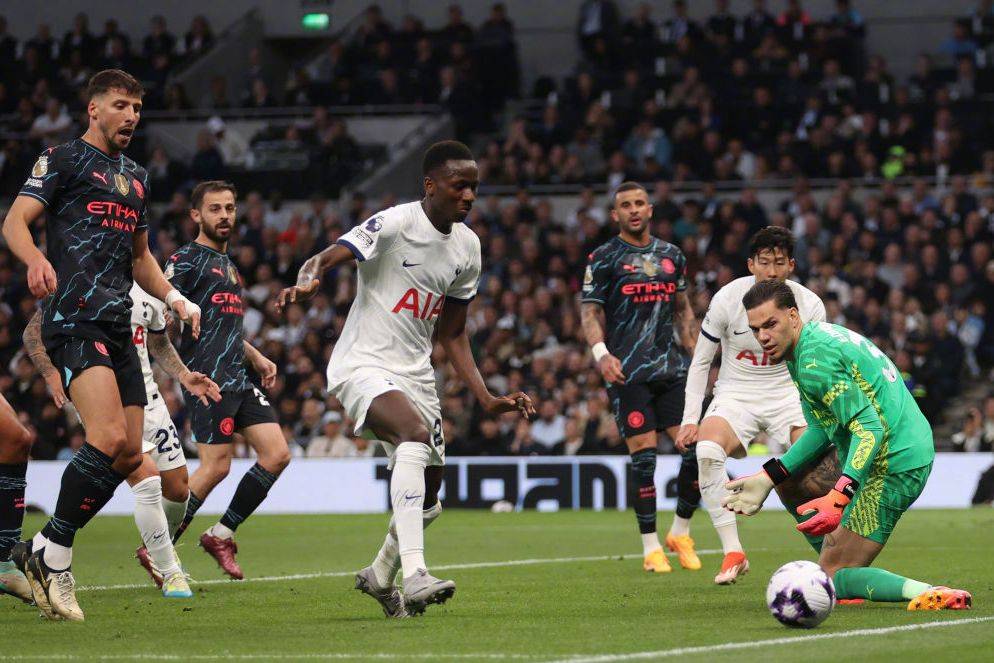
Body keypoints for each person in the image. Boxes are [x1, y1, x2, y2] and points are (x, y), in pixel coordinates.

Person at [276, 140, 535, 617]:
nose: (469, 196)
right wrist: (308, 279)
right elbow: (326, 257)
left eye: (474, 187)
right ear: (430, 185)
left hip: (417, 376)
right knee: (413, 436)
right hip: (363, 363)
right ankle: (416, 574)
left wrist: (485, 397)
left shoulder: (468, 247)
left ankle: (380, 574)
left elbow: (452, 333)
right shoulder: (395, 224)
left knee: (430, 500)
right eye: (459, 186)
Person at [0, 69, 201, 622]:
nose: (131, 115)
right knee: (108, 437)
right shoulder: (62, 160)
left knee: (130, 453)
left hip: (119, 324)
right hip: (74, 318)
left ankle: (43, 547)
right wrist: (34, 259)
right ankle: (56, 557)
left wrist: (175, 298)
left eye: (137, 107)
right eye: (120, 105)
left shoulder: (136, 177)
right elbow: (15, 222)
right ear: (94, 109)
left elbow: (141, 257)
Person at [725, 280, 972, 610]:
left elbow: (869, 430)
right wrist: (769, 475)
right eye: (756, 329)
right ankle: (842, 572)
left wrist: (839, 495)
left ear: (793, 316)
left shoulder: (815, 361)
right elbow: (821, 429)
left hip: (894, 461)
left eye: (771, 324)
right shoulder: (805, 349)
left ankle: (927, 592)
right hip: (884, 447)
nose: (763, 337)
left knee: (831, 574)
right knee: (791, 481)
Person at [22, 283, 221, 598]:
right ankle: (170, 572)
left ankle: (43, 544)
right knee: (147, 478)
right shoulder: (85, 275)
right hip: (103, 399)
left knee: (178, 488)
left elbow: (158, 341)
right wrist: (51, 373)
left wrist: (184, 375)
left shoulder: (150, 285)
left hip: (148, 398)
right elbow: (33, 332)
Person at [676, 227, 838, 585]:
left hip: (790, 391)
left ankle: (834, 556)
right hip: (737, 393)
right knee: (707, 450)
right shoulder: (727, 299)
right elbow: (701, 361)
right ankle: (733, 551)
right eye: (764, 262)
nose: (771, 271)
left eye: (779, 263)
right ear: (751, 264)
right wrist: (690, 418)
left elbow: (817, 363)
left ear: (791, 265)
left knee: (816, 464)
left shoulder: (809, 304)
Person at [166, 181, 289, 581]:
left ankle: (221, 534)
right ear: (196, 215)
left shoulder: (230, 266)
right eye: (215, 209)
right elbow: (160, 317)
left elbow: (225, 328)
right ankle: (159, 546)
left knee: (277, 454)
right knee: (216, 467)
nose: (224, 216)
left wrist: (257, 356)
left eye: (230, 208)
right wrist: (178, 370)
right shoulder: (184, 260)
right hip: (208, 379)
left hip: (238, 376)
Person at [580, 181, 701, 575]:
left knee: (696, 451)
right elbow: (590, 313)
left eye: (639, 203)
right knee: (645, 460)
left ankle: (680, 531)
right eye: (625, 205)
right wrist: (601, 355)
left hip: (672, 369)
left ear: (650, 209)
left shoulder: (672, 255)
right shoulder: (603, 257)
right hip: (628, 372)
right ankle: (651, 548)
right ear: (615, 214)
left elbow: (683, 310)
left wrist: (697, 354)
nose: (633, 210)